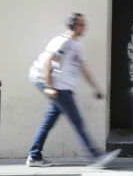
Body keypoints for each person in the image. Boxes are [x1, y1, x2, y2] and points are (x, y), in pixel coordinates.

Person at [26, 12, 120, 167]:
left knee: (47, 123)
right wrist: (49, 87)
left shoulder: (77, 46)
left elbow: (83, 69)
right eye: (81, 24)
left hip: (64, 89)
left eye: (84, 24)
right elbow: (48, 62)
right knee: (77, 121)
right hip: (58, 89)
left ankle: (34, 156)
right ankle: (94, 155)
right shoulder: (62, 42)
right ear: (72, 25)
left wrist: (95, 87)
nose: (84, 27)